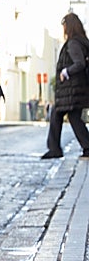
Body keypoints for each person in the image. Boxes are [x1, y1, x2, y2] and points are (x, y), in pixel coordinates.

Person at [41, 12, 89, 159]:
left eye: (64, 26)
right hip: (76, 90)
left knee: (58, 113)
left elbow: (79, 63)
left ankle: (55, 149)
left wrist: (65, 71)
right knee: (72, 117)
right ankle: (86, 147)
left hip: (73, 90)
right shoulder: (80, 41)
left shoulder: (73, 43)